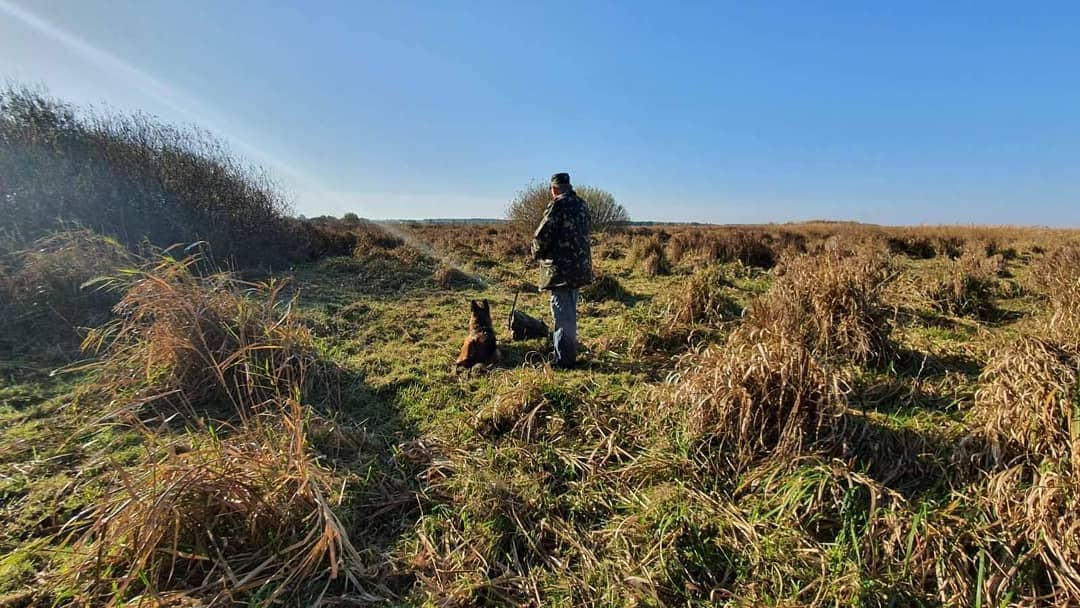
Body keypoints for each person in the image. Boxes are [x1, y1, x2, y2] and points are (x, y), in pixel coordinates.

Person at [532, 172, 593, 368]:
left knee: (562, 314)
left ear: (554, 189)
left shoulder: (557, 205)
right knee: (569, 311)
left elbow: (542, 237)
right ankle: (566, 354)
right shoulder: (582, 205)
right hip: (580, 268)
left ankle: (564, 361)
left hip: (561, 271)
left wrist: (535, 252)